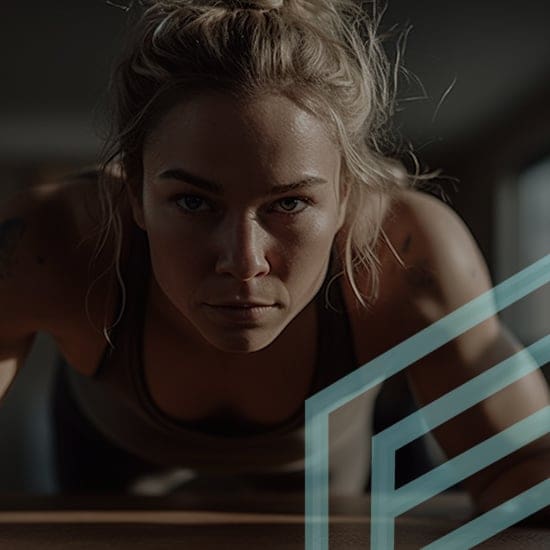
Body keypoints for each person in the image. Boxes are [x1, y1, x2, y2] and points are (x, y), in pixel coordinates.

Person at [0, 0, 548, 519]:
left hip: (330, 482)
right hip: (107, 460)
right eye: (192, 201)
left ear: (347, 197)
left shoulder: (406, 258)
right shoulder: (50, 246)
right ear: (135, 194)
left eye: (289, 203)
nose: (243, 262)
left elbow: (523, 467)